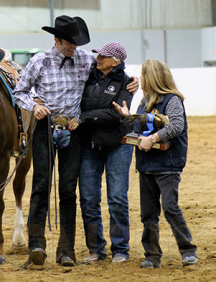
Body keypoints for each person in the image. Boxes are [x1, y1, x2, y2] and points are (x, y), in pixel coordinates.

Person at [12, 15, 139, 267]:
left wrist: (132, 81)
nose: (74, 47)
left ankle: (66, 249)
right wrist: (33, 106)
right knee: (41, 185)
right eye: (69, 43)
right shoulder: (39, 61)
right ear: (57, 40)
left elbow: (112, 70)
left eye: (76, 43)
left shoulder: (86, 60)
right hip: (45, 128)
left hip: (74, 130)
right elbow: (20, 92)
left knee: (69, 190)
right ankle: (36, 244)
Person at [113, 59, 198, 269]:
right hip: (147, 165)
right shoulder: (144, 102)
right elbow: (138, 130)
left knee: (170, 208)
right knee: (148, 213)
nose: (140, 79)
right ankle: (151, 255)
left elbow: (177, 125)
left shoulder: (172, 100)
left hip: (168, 165)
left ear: (153, 77)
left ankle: (188, 250)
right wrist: (126, 118)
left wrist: (154, 138)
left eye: (144, 74)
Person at [77, 42, 134, 264]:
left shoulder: (127, 83)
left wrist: (85, 117)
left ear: (116, 61)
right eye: (98, 54)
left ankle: (120, 249)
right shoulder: (86, 76)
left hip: (118, 144)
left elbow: (117, 114)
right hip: (90, 143)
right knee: (89, 199)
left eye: (104, 56)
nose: (98, 58)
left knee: (117, 198)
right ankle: (95, 249)